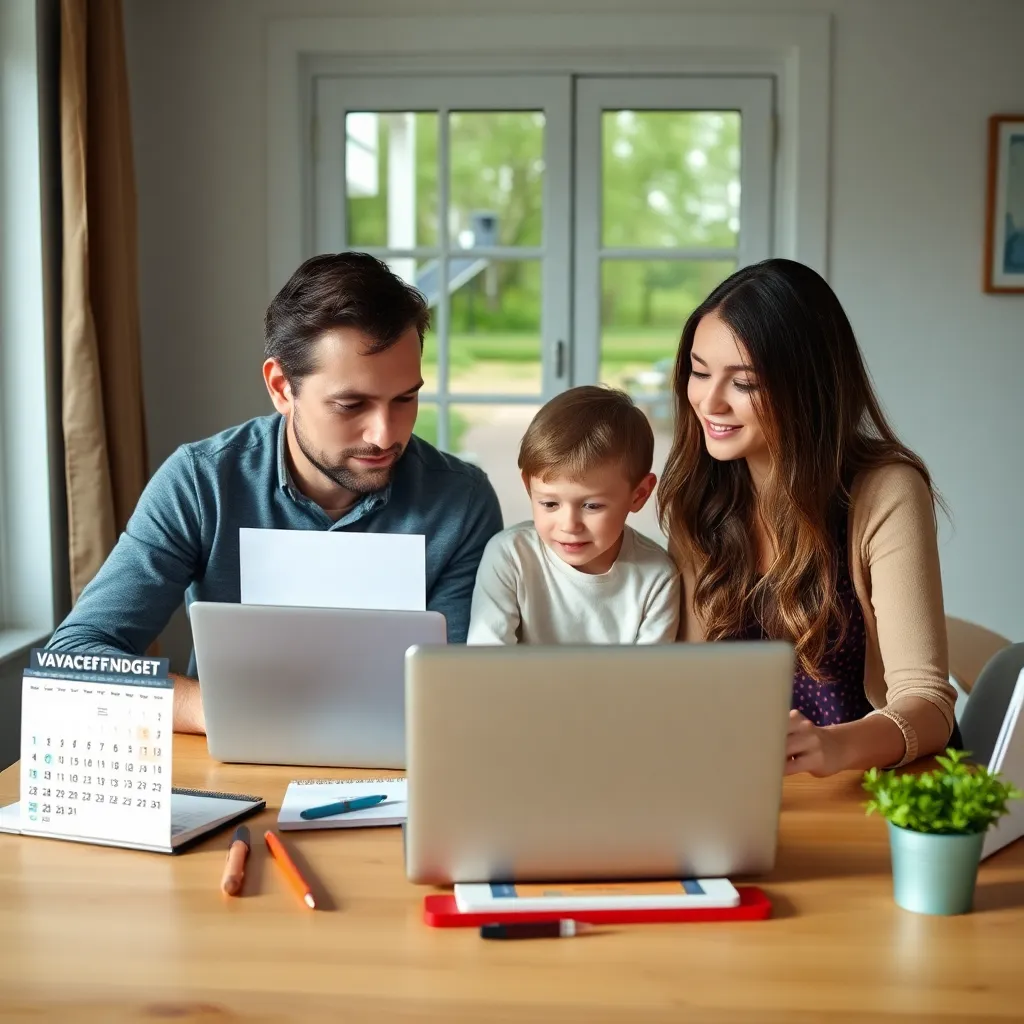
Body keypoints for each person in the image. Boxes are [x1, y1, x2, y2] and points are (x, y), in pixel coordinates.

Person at [49, 253, 503, 733]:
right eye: (351, 404)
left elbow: (458, 691)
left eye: (405, 399)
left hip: (399, 781)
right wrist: (220, 709)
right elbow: (73, 660)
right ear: (282, 387)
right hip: (231, 771)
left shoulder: (462, 501)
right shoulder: (201, 483)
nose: (384, 434)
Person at [658, 258, 957, 777]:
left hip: (868, 788)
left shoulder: (885, 490)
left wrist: (833, 747)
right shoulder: (699, 494)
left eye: (744, 383)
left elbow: (928, 705)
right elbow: (690, 683)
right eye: (699, 372)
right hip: (743, 785)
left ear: (807, 386)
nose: (709, 401)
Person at [468, 385, 679, 645]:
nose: (569, 526)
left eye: (592, 506)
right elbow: (485, 668)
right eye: (549, 504)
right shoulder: (510, 557)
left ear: (638, 495)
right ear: (528, 487)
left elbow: (650, 680)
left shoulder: (657, 578)